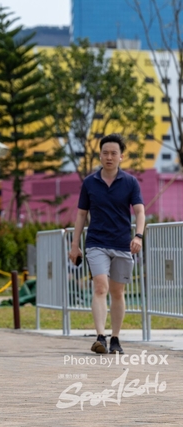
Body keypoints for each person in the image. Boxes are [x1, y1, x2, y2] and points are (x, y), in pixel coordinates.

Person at [68, 133, 145, 355]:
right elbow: (81, 214)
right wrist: (75, 245)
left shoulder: (130, 182)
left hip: (122, 243)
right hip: (96, 243)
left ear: (121, 156)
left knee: (118, 292)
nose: (109, 157)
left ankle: (115, 338)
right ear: (100, 156)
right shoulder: (89, 183)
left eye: (113, 153)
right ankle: (100, 336)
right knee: (100, 287)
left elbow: (140, 212)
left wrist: (138, 236)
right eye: (105, 153)